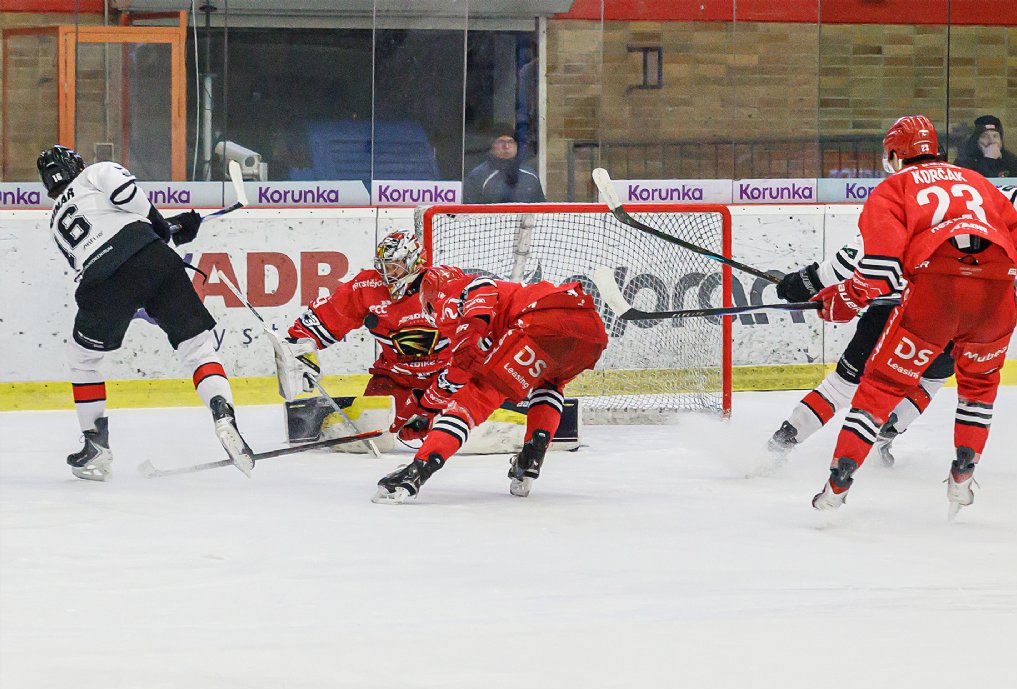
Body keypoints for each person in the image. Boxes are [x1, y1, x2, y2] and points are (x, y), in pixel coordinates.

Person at [807, 115, 1017, 518]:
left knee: (879, 389)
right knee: (978, 391)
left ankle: (838, 483)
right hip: (997, 300)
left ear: (895, 154)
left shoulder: (894, 187)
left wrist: (845, 298)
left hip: (935, 297)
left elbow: (879, 271)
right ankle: (963, 473)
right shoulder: (978, 182)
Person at [767, 185, 1017, 470]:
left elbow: (854, 259)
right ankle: (887, 433)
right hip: (967, 312)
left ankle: (780, 445)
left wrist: (803, 283)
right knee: (929, 382)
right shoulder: (970, 188)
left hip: (903, 310)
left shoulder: (902, 195)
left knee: (842, 388)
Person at [38, 145, 253, 480]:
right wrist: (161, 226)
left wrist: (167, 229)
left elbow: (104, 242)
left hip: (102, 281)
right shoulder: (94, 173)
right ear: (76, 165)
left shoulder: (54, 222)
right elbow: (126, 197)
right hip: (153, 258)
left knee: (82, 358)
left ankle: (96, 445)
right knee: (197, 347)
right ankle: (222, 412)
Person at [373, 268, 608, 504]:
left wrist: (427, 407)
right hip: (589, 332)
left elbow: (481, 288)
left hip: (540, 321)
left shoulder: (453, 291)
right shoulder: (499, 316)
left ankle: (416, 471)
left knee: (473, 400)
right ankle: (532, 456)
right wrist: (427, 409)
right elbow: (459, 371)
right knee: (549, 384)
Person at [278, 230, 447, 449]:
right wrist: (301, 347)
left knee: (462, 427)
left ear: (414, 262)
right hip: (395, 378)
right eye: (384, 266)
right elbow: (330, 314)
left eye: (394, 266)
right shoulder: (368, 287)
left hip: (445, 378)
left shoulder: (444, 284)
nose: (388, 274)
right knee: (374, 427)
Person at [461, 129, 546, 204]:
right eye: (501, 142)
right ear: (492, 145)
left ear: (516, 146)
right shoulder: (477, 177)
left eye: (510, 142)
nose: (506, 146)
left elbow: (542, 211)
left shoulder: (530, 175)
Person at [954, 115, 1017, 179]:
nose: (991, 141)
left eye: (995, 136)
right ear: (977, 141)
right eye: (985, 136)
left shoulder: (1009, 158)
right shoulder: (964, 161)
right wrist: (989, 160)